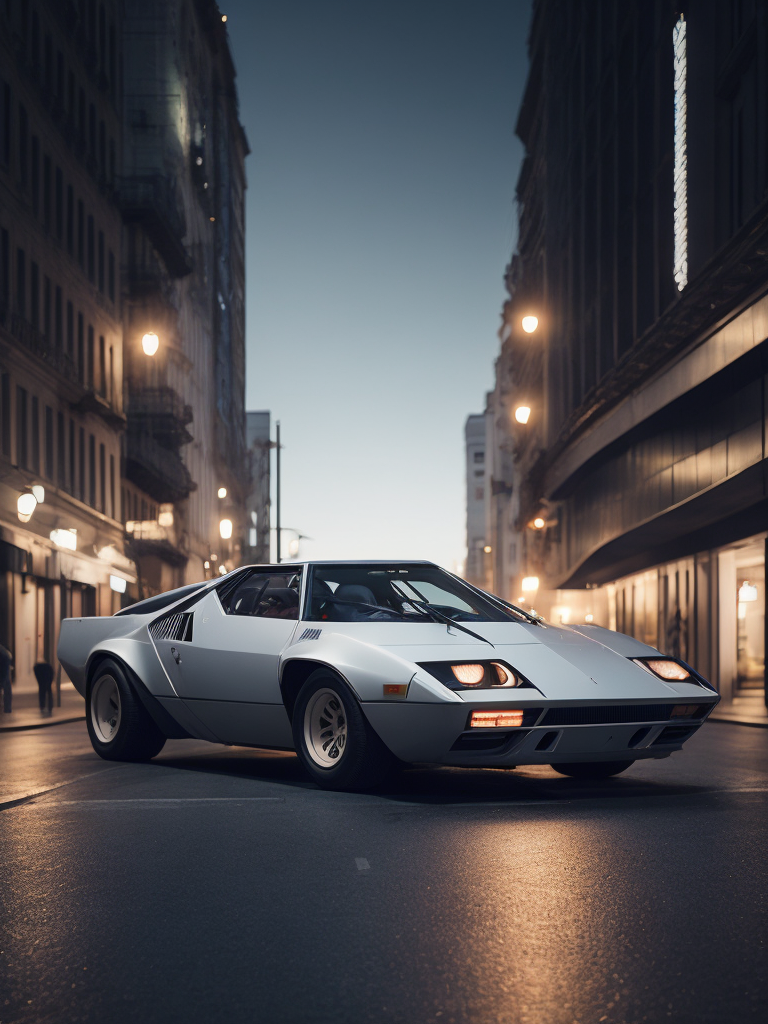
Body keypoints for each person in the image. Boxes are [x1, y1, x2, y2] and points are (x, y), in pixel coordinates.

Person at [0, 643, 12, 715]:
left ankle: (7, 709)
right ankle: (7, 709)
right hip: (4, 667)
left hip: (4, 667)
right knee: (7, 687)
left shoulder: (3, 654)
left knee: (6, 685)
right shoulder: (3, 651)